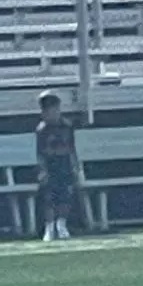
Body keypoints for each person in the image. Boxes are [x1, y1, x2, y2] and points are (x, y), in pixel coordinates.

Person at [36, 90, 81, 242]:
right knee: (48, 196)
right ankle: (49, 227)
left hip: (64, 165)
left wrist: (76, 167)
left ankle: (62, 224)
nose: (49, 112)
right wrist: (42, 170)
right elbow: (40, 153)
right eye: (46, 109)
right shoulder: (41, 130)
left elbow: (72, 149)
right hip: (49, 166)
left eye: (53, 108)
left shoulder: (67, 126)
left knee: (65, 195)